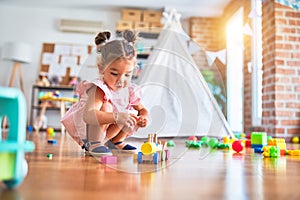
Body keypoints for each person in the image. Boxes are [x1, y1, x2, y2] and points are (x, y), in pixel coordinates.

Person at [61, 30, 149, 156]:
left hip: (107, 132)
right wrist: (118, 117)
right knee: (107, 106)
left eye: (127, 75)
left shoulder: (129, 90)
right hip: (90, 130)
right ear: (101, 68)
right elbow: (89, 115)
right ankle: (94, 144)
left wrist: (144, 118)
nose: (121, 80)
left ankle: (116, 141)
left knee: (130, 113)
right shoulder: (99, 88)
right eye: (114, 74)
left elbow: (143, 110)